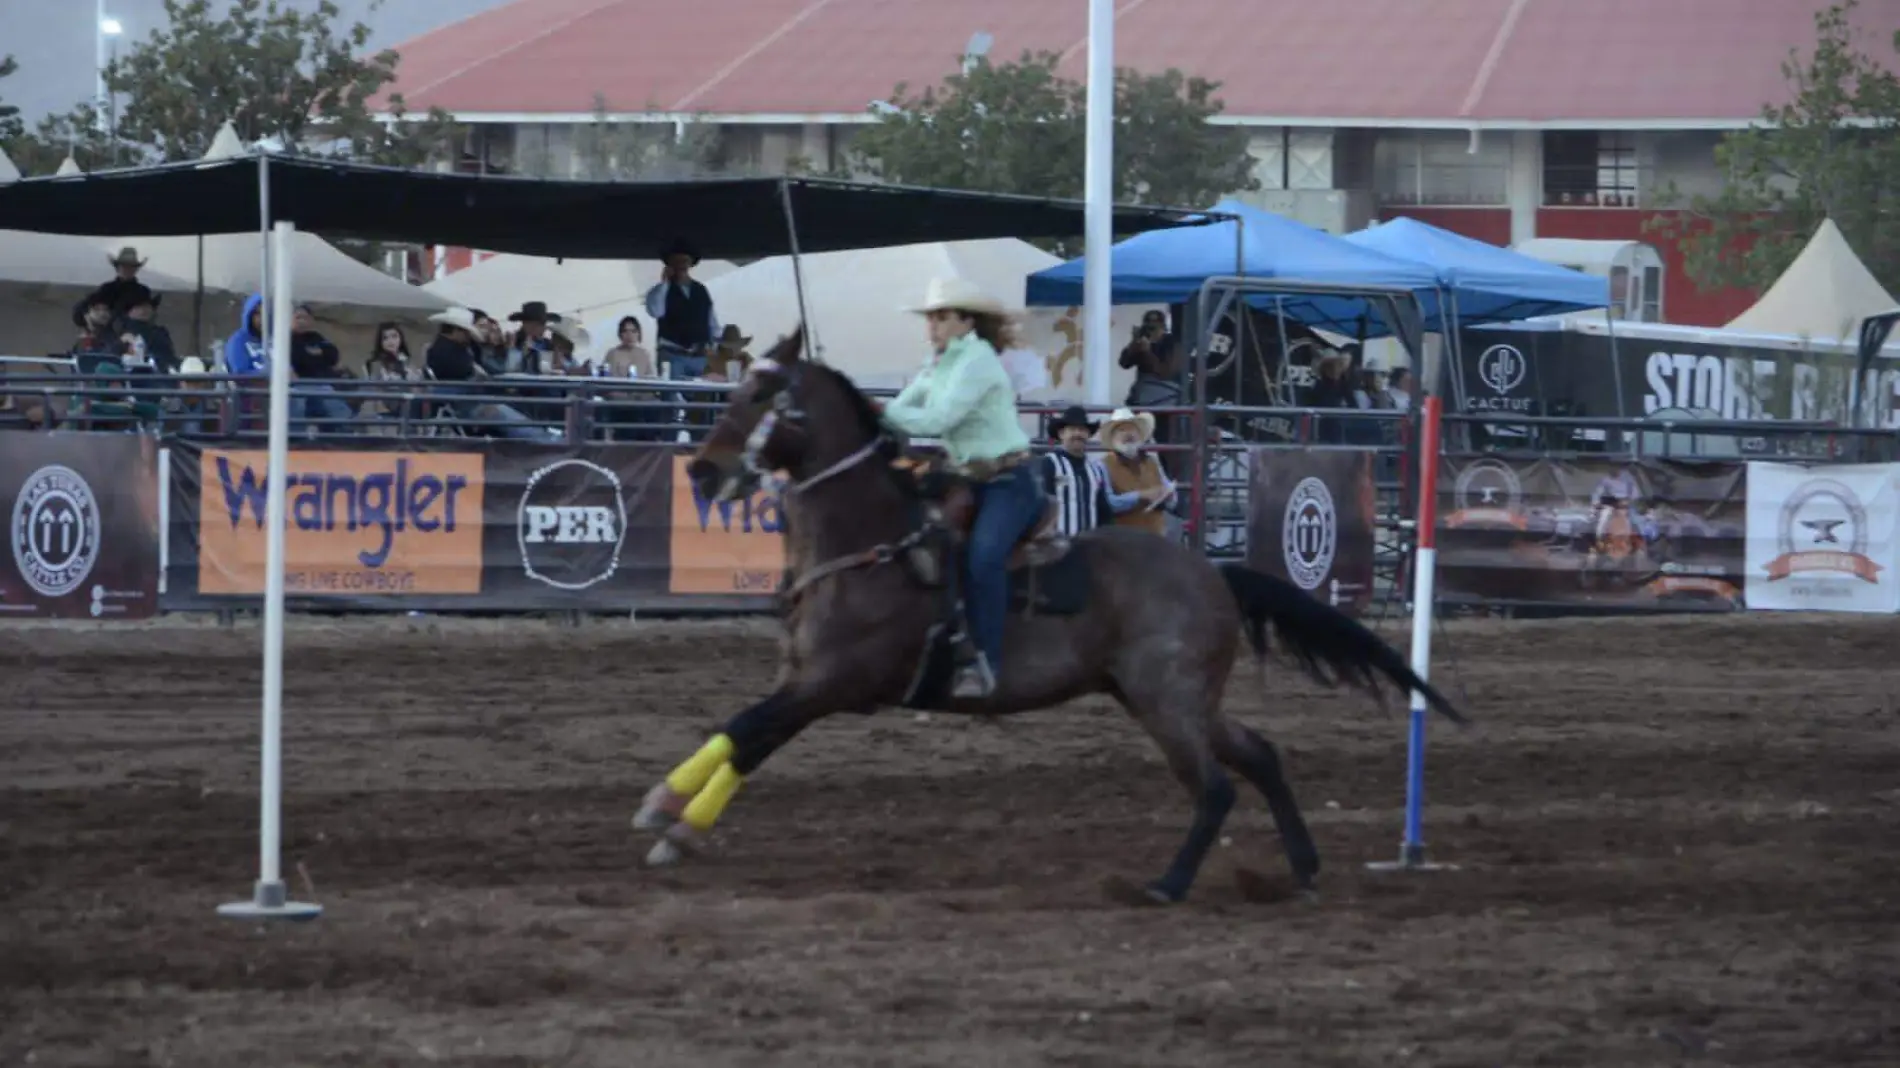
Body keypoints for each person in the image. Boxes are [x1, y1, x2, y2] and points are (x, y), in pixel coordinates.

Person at [879, 276, 1038, 700]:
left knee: (984, 558)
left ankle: (985, 661)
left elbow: (935, 420)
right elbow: (901, 406)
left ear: (967, 321)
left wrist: (884, 414)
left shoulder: (978, 361)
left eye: (941, 316)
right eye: (930, 317)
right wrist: (885, 412)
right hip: (968, 477)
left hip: (1009, 480)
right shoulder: (942, 361)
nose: (932, 325)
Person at [644, 237, 719, 377]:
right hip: (672, 355)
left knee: (700, 396)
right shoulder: (659, 291)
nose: (681, 266)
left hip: (699, 356)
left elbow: (711, 321)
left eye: (684, 261)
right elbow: (655, 311)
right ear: (670, 265)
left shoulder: (701, 290)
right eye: (676, 262)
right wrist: (665, 283)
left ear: (690, 264)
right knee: (672, 396)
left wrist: (714, 347)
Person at [1096, 408, 1177, 537]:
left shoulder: (1152, 462)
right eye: (1122, 430)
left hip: (1156, 535)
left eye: (1132, 429)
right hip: (1124, 538)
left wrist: (1168, 496)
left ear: (1139, 435)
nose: (1128, 434)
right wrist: (1141, 495)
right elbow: (1109, 503)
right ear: (1113, 438)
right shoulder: (1103, 465)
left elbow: (1172, 499)